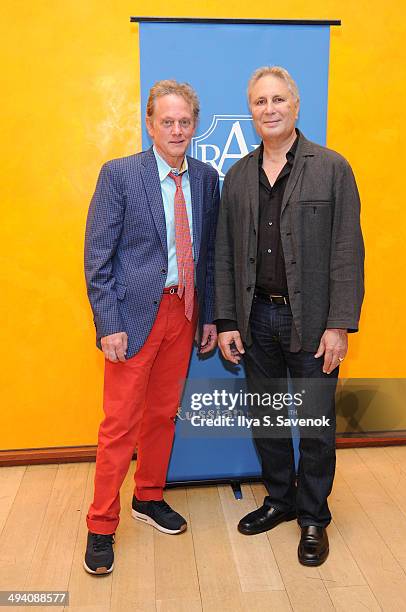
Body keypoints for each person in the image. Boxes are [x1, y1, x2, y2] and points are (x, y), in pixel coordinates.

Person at [215, 66, 364, 566]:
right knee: (269, 420)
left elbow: (347, 251)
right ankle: (280, 498)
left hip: (314, 324)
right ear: (251, 111)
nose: (270, 108)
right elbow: (225, 256)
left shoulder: (332, 167)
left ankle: (313, 516)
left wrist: (339, 324)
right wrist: (229, 321)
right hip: (255, 321)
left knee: (317, 425)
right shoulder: (237, 177)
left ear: (296, 107)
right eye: (260, 101)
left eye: (279, 99)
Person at [83, 80, 219, 574]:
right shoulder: (120, 175)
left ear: (194, 125)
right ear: (150, 124)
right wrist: (108, 323)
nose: (177, 129)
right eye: (168, 121)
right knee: (119, 425)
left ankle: (149, 496)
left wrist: (207, 315)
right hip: (132, 319)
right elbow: (97, 257)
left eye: (185, 122)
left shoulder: (205, 179)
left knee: (163, 415)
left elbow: (208, 257)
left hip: (183, 314)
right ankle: (101, 525)